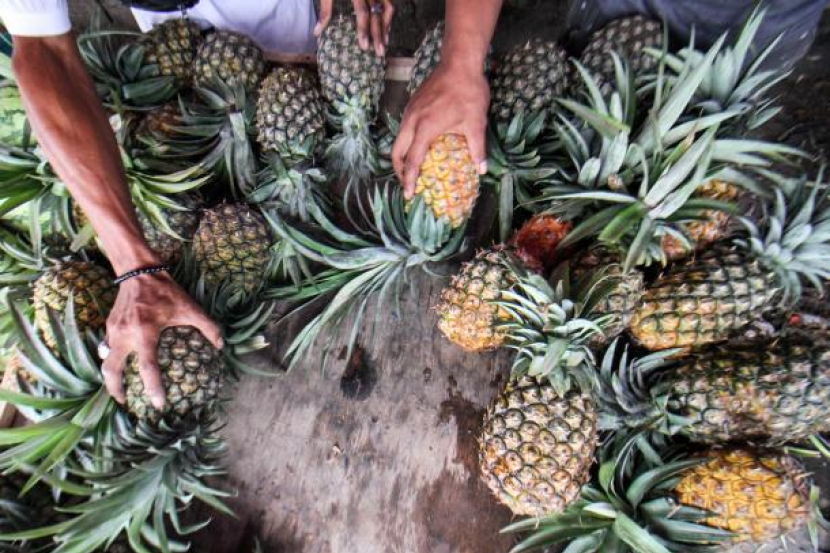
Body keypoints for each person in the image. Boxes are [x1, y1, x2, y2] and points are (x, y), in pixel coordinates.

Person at [0, 0, 393, 408]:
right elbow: (42, 47)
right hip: (167, 22)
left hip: (275, 16)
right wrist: (133, 266)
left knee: (292, 40)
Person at [392, 0, 830, 198]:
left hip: (757, 34)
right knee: (586, 109)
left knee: (692, 153)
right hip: (622, 13)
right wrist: (460, 63)